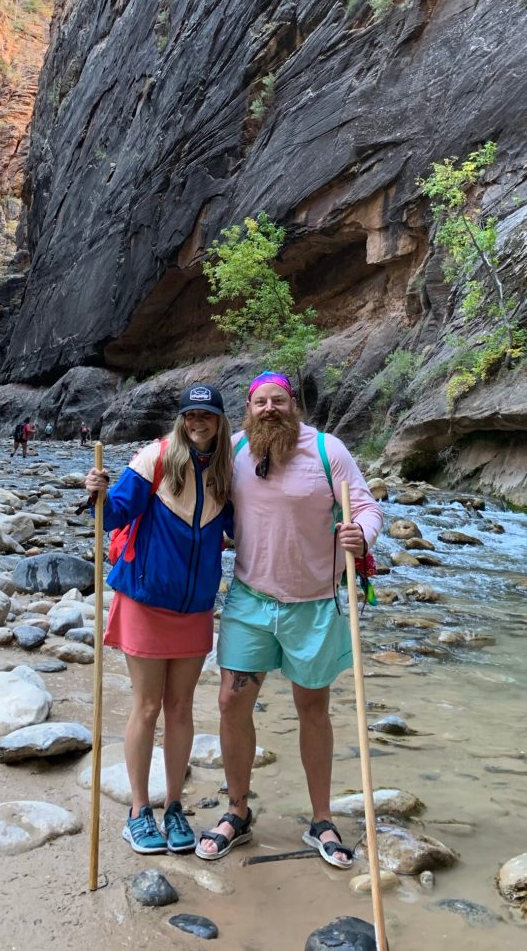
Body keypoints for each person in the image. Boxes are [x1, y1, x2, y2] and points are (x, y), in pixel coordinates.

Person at [194, 371, 382, 868]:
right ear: (248, 409)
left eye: (278, 400)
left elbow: (365, 506)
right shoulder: (233, 450)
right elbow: (177, 470)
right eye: (260, 402)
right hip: (251, 600)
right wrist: (107, 485)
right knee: (231, 703)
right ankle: (237, 811)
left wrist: (360, 534)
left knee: (312, 708)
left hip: (315, 604)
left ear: (292, 404)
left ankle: (322, 817)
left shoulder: (327, 451)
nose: (269, 408)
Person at [84, 384, 233, 856]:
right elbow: (113, 514)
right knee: (148, 707)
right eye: (190, 415)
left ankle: (173, 807)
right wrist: (98, 493)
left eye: (206, 415)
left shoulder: (227, 474)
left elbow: (247, 529)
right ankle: (138, 811)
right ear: (182, 419)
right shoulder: (157, 458)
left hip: (194, 606)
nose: (197, 423)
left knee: (183, 709)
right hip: (146, 599)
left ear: (220, 421)